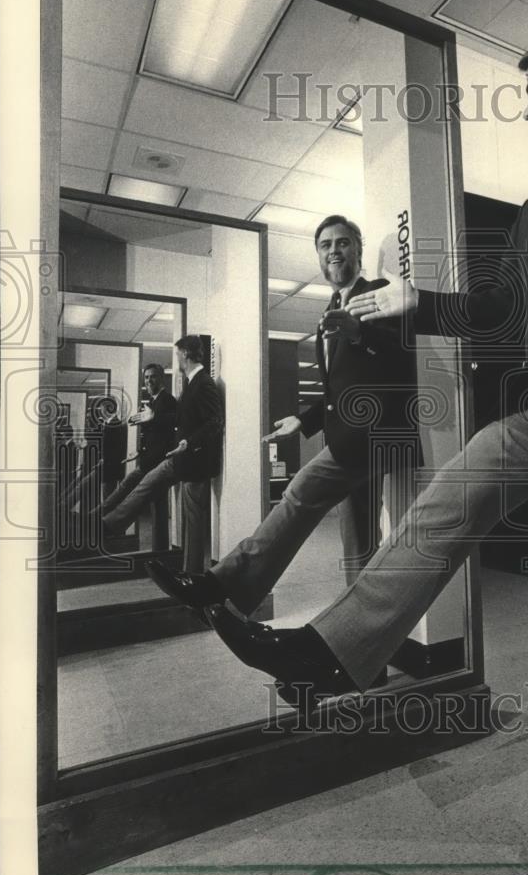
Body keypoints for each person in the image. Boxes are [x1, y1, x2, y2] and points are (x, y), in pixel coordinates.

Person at [167, 25, 528, 870]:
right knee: (446, 498)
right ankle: (331, 653)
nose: (527, 103)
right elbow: (505, 314)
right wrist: (413, 304)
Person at [145, 215, 420, 653]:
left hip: (374, 437)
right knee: (359, 549)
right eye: (326, 244)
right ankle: (366, 650)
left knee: (298, 494)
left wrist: (361, 332)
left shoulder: (376, 298)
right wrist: (305, 422)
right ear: (318, 255)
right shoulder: (327, 311)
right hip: (349, 437)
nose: (334, 251)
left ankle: (221, 585)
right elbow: (338, 391)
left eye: (344, 242)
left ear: (358, 250)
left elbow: (406, 361)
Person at [102, 336, 224, 573]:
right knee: (152, 488)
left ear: (186, 354)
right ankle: (111, 524)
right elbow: (181, 418)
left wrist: (189, 442)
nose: (176, 358)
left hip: (194, 461)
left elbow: (215, 421)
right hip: (184, 459)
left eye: (177, 354)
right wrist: (154, 418)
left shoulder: (204, 383)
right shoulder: (192, 382)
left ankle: (192, 573)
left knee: (190, 517)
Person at [102, 363, 177, 548]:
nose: (149, 381)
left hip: (156, 462)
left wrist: (152, 419)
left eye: (153, 376)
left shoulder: (167, 400)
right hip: (149, 458)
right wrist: (140, 450)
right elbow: (153, 434)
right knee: (158, 507)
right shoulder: (152, 402)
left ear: (161, 378)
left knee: (126, 487)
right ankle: (160, 550)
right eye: (146, 378)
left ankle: (97, 519)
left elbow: (172, 424)